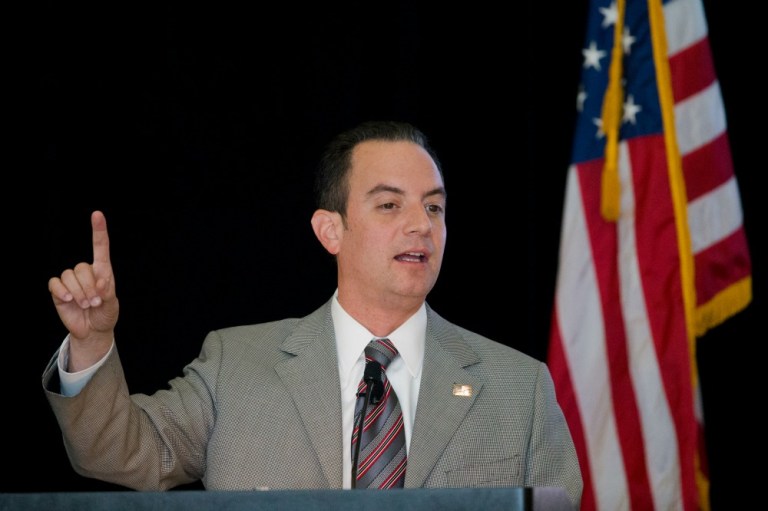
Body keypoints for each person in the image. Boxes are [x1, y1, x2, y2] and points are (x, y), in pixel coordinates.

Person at [43, 120, 583, 507]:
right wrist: (93, 343)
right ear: (331, 230)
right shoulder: (237, 366)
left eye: (434, 206)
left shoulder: (520, 389)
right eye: (390, 204)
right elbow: (116, 452)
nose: (421, 224)